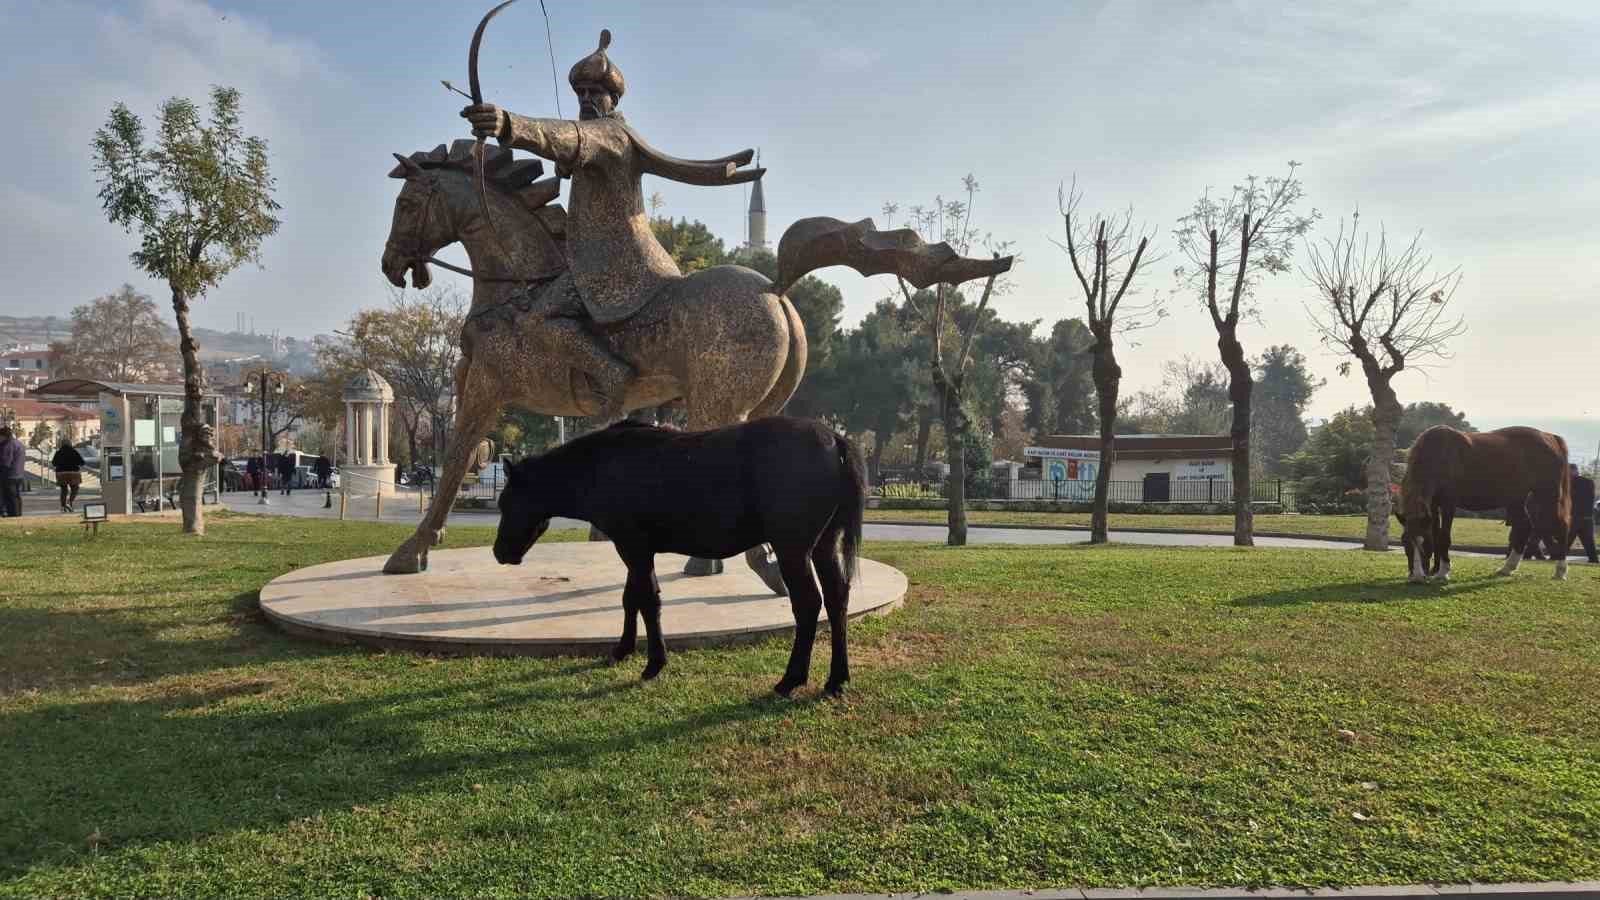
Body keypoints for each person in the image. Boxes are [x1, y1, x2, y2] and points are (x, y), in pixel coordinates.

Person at [462, 29, 762, 420]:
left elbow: (564, 136)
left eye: (594, 93)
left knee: (540, 319)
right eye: (580, 92)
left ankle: (609, 373)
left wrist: (507, 124)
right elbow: (569, 146)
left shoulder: (609, 134)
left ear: (613, 99)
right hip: (619, 264)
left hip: (615, 268)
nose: (585, 99)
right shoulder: (609, 136)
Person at [1567, 464, 1598, 564]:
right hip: (1587, 518)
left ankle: (1558, 559)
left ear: (1572, 471)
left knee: (1566, 542)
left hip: (1574, 518)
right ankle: (1594, 560)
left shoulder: (1570, 483)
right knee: (1589, 544)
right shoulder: (1589, 482)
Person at [51, 438, 85, 513]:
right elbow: (82, 462)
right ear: (70, 444)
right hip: (73, 472)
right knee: (75, 488)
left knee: (64, 490)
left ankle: (63, 507)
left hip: (61, 473)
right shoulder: (74, 452)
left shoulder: (58, 452)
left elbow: (54, 463)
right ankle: (69, 502)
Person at [0, 426, 24, 517]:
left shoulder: (8, 445)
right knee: (17, 496)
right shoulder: (18, 443)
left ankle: (13, 514)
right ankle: (18, 514)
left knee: (10, 497)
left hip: (9, 475)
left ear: (3, 436)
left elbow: (5, 462)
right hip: (19, 474)